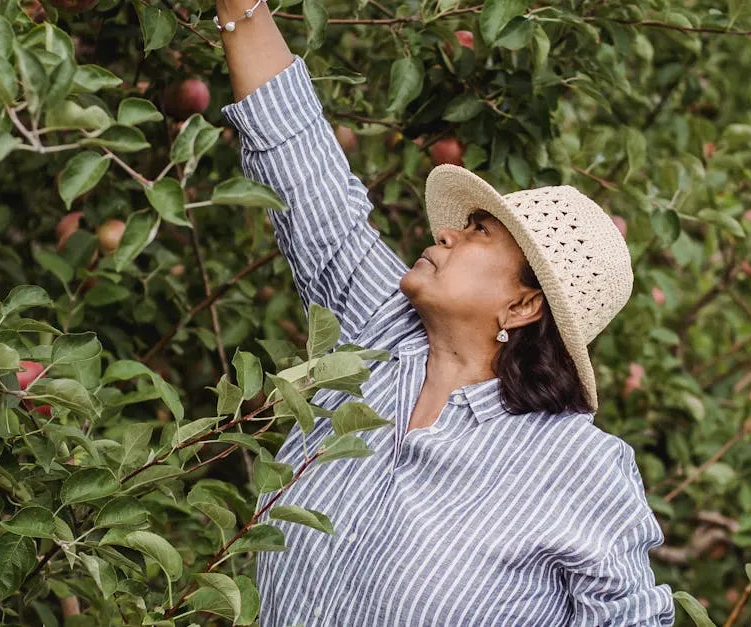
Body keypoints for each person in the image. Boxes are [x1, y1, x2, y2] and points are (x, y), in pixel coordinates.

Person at [215, 1, 675, 624]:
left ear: (523, 302)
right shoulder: (376, 334)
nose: (452, 234)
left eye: (481, 232)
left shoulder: (573, 464)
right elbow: (298, 160)